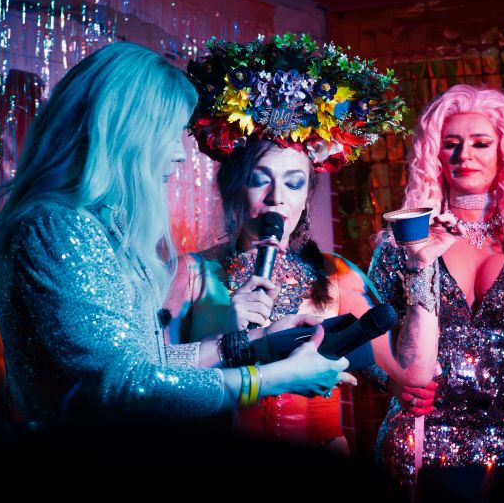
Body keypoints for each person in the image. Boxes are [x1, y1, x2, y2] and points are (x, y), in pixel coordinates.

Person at [0, 42, 351, 426]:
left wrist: (259, 340)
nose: (179, 154)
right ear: (128, 134)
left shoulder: (97, 227)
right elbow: (126, 386)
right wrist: (271, 379)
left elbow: (151, 363)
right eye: (171, 134)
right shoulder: (58, 228)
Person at [166, 33, 408, 453]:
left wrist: (421, 272)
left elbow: (403, 379)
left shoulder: (337, 275)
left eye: (293, 184)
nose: (276, 197)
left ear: (306, 197)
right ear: (234, 189)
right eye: (260, 180)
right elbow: (152, 385)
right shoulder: (190, 274)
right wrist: (228, 333)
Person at [365, 84, 504, 492]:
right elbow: (361, 333)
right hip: (419, 439)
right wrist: (394, 383)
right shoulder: (404, 244)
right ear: (435, 155)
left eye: (480, 144)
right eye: (451, 144)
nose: (464, 155)